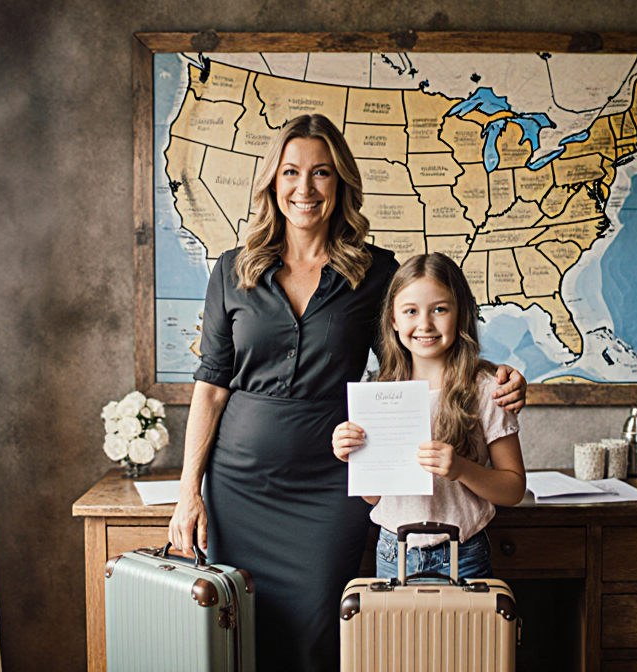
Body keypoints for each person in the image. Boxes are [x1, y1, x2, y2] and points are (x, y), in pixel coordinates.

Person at [167, 114, 526, 672]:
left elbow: (419, 346)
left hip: (333, 483)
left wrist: (497, 373)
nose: (304, 188)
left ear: (341, 185)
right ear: (272, 182)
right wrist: (189, 491)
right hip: (238, 488)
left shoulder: (375, 271)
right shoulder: (231, 271)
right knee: (237, 636)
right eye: (291, 172)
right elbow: (211, 388)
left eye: (321, 174)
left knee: (317, 636)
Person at [332, 253, 527, 581]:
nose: (424, 324)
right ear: (393, 320)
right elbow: (374, 496)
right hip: (394, 552)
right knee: (398, 636)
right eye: (410, 311)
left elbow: (514, 488)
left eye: (440, 309)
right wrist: (354, 457)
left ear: (461, 314)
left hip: (463, 553)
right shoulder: (378, 390)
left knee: (466, 636)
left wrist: (462, 469)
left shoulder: (488, 388)